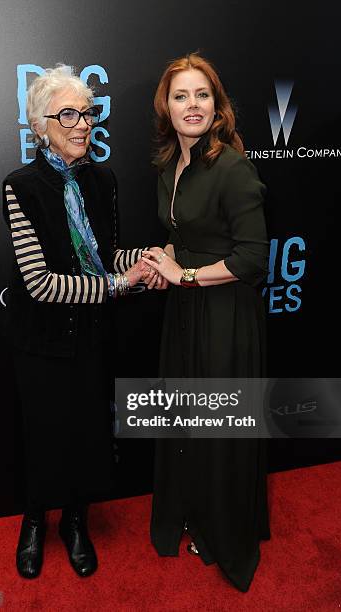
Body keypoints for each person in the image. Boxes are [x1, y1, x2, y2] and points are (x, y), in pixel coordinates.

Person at [2, 64, 164, 580]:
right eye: (67, 114)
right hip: (42, 340)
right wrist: (121, 285)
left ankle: (76, 523)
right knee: (44, 433)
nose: (81, 124)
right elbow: (42, 284)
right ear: (39, 124)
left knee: (87, 434)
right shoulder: (20, 187)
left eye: (87, 113)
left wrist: (152, 259)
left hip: (93, 337)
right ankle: (34, 522)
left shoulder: (103, 180)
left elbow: (109, 255)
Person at [142, 53, 271, 593]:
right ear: (166, 108)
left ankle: (225, 531)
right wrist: (163, 261)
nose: (191, 105)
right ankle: (192, 513)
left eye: (202, 95)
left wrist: (186, 274)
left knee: (218, 429)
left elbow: (252, 258)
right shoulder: (170, 164)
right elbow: (185, 235)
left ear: (217, 107)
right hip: (185, 316)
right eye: (180, 96)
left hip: (222, 318)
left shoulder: (232, 166)